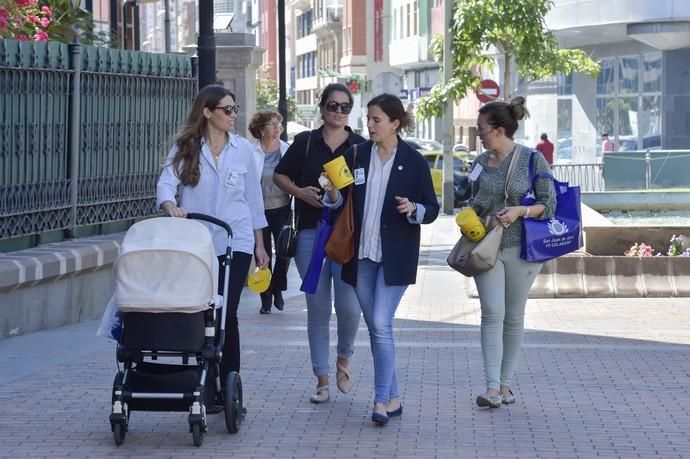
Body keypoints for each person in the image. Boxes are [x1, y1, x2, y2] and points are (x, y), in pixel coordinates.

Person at [327, 94, 439, 425]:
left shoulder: (414, 161)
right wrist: (331, 191)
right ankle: (393, 396)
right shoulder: (358, 154)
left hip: (395, 258)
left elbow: (431, 208)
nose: (370, 125)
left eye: (376, 120)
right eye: (368, 119)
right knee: (378, 329)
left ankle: (379, 401)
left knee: (380, 323)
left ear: (395, 123)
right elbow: (337, 200)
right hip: (360, 255)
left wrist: (414, 210)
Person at [156, 84, 270, 396]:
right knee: (201, 310)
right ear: (208, 112)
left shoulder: (243, 149)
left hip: (237, 241)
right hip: (197, 244)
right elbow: (166, 184)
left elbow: (254, 200)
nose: (234, 115)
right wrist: (170, 207)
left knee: (226, 312)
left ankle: (229, 381)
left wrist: (261, 245)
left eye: (235, 109)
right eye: (227, 110)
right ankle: (204, 376)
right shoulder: (186, 148)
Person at [273, 83, 365, 403]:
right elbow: (280, 176)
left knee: (350, 307)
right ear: (321, 107)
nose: (338, 112)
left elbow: (367, 192)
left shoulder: (359, 146)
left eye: (344, 106)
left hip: (347, 235)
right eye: (332, 105)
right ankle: (322, 380)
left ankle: (343, 360)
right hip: (311, 232)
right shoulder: (306, 143)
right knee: (318, 308)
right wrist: (300, 192)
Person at [468, 96, 556, 409]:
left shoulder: (532, 160)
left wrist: (521, 210)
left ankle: (505, 384)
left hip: (523, 249)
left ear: (500, 129)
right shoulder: (479, 163)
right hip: (487, 247)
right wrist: (472, 217)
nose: (478, 133)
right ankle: (491, 388)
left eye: (481, 128)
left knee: (513, 316)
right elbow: (474, 201)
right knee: (492, 312)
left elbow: (549, 205)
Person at [248, 110, 291, 314]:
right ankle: (265, 299)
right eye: (273, 124)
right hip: (259, 211)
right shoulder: (251, 152)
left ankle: (278, 289)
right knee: (262, 256)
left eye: (279, 124)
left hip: (282, 208)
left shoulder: (287, 150)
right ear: (261, 129)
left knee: (284, 252)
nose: (277, 127)